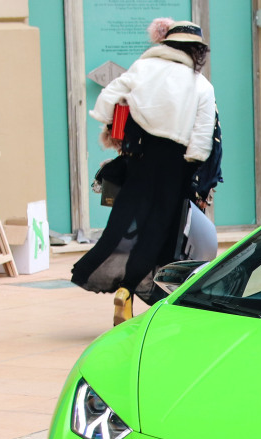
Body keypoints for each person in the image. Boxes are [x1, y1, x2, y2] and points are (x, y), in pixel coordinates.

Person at [71, 19, 217, 325]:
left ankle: (102, 272)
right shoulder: (201, 84)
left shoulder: (142, 68)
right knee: (158, 228)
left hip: (140, 156)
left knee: (124, 218)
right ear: (195, 51)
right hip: (177, 163)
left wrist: (108, 122)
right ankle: (127, 289)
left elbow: (108, 97)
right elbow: (202, 137)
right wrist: (195, 164)